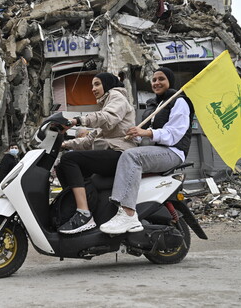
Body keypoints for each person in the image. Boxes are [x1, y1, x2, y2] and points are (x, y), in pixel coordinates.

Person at [100, 67, 194, 234]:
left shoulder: (179, 101)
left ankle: (128, 214)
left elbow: (174, 134)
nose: (156, 83)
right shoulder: (153, 105)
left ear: (170, 81)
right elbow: (145, 133)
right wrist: (133, 135)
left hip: (172, 152)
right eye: (154, 80)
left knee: (131, 157)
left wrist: (146, 133)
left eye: (161, 79)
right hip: (152, 150)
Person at [56, 72, 137, 234]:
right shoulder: (106, 104)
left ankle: (84, 214)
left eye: (97, 84)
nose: (93, 89)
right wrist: (62, 144)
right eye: (92, 85)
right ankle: (84, 206)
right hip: (110, 152)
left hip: (120, 154)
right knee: (61, 166)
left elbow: (108, 118)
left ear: (108, 84)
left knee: (69, 160)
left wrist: (78, 120)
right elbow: (88, 141)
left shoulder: (117, 97)